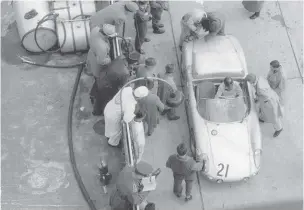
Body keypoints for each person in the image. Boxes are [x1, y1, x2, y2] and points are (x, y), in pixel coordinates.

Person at [88, 24, 117, 107]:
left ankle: (94, 93)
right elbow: (101, 61)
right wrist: (111, 61)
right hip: (97, 63)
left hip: (92, 54)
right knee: (99, 80)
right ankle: (95, 96)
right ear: (105, 35)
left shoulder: (96, 28)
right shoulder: (102, 47)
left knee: (98, 81)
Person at [104, 76, 137, 147]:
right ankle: (112, 143)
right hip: (113, 117)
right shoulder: (131, 105)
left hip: (108, 108)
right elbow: (126, 120)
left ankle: (108, 136)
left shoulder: (128, 89)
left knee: (109, 127)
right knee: (117, 132)